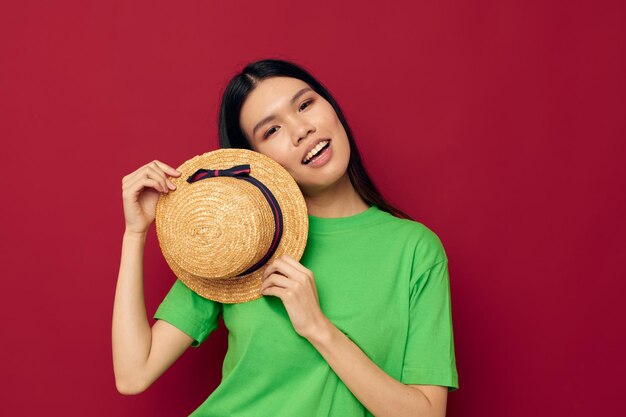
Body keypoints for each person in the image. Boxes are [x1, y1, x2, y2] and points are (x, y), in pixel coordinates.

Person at [112, 59, 459, 416]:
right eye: (271, 130)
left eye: (305, 104)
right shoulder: (243, 238)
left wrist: (318, 327)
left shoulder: (415, 250)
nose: (301, 130)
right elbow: (133, 374)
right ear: (257, 158)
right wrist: (135, 233)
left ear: (331, 106)